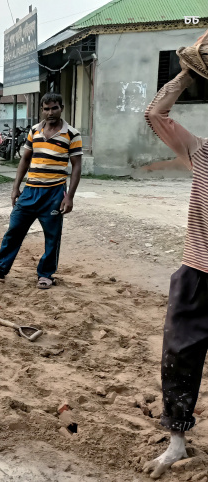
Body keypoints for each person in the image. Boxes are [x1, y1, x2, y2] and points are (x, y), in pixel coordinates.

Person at [141, 30, 208, 480]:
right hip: (198, 270)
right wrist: (189, 69)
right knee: (180, 357)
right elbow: (155, 112)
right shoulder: (201, 153)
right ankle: (177, 443)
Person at [0, 92, 82, 289]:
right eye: (46, 109)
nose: (50, 112)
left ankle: (46, 274)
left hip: (54, 193)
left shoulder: (72, 134)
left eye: (54, 108)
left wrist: (69, 197)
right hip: (30, 191)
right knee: (14, 231)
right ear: (41, 110)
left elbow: (76, 166)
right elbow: (25, 159)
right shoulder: (35, 130)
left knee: (52, 236)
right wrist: (15, 187)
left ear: (62, 108)